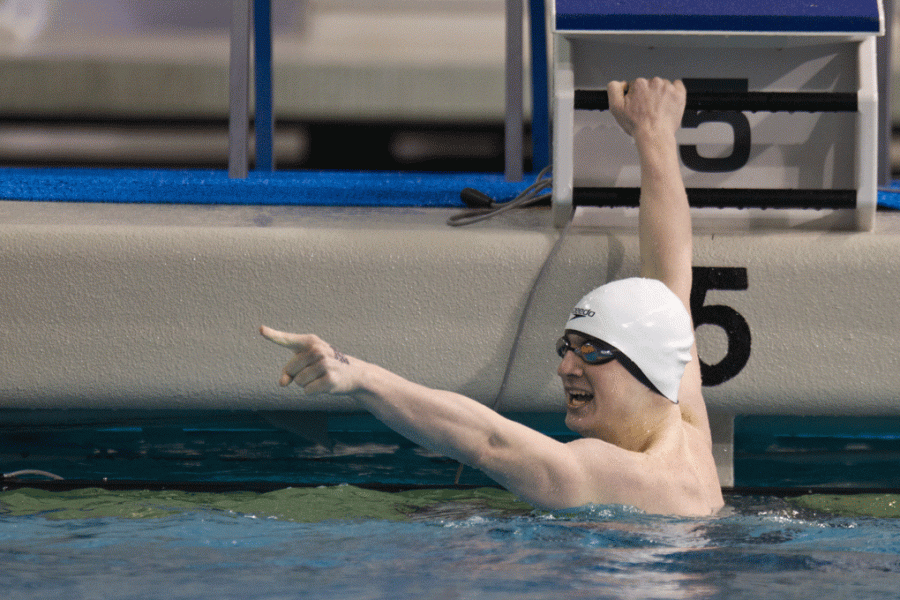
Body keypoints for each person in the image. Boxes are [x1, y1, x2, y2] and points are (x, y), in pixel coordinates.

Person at [260, 77, 724, 517]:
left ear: (647, 370)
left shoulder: (623, 477)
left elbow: (487, 442)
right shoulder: (686, 426)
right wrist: (654, 131)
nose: (566, 367)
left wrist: (359, 375)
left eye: (592, 350)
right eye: (568, 347)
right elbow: (670, 274)